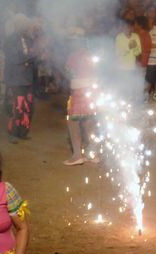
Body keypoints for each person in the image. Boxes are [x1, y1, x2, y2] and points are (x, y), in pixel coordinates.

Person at [62, 28, 99, 167]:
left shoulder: (73, 56)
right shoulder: (90, 54)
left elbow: (69, 74)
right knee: (89, 120)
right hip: (93, 90)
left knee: (73, 121)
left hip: (79, 91)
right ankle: (93, 153)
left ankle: (77, 155)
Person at [4, 14, 38, 143]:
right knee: (17, 107)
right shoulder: (10, 40)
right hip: (16, 79)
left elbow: (31, 57)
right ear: (17, 25)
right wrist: (29, 57)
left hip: (27, 78)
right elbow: (15, 59)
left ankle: (23, 132)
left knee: (28, 107)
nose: (25, 27)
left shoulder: (28, 39)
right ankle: (14, 133)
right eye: (23, 24)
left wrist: (30, 58)